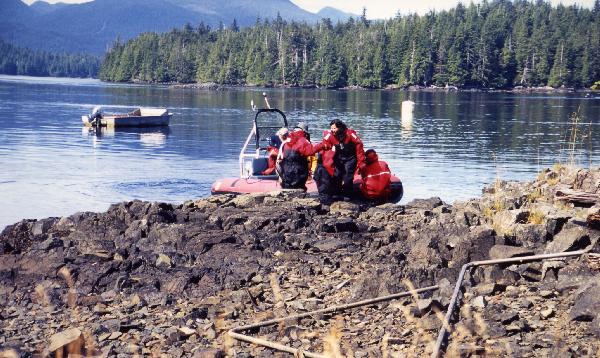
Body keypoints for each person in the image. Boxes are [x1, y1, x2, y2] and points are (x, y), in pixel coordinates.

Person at [314, 119, 365, 203]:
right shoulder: (329, 136)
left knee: (348, 177)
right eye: (331, 128)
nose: (332, 130)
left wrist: (361, 162)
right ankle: (336, 193)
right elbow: (323, 144)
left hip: (350, 158)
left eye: (334, 128)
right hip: (338, 157)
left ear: (340, 127)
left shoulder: (350, 134)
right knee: (337, 175)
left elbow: (359, 146)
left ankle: (347, 195)